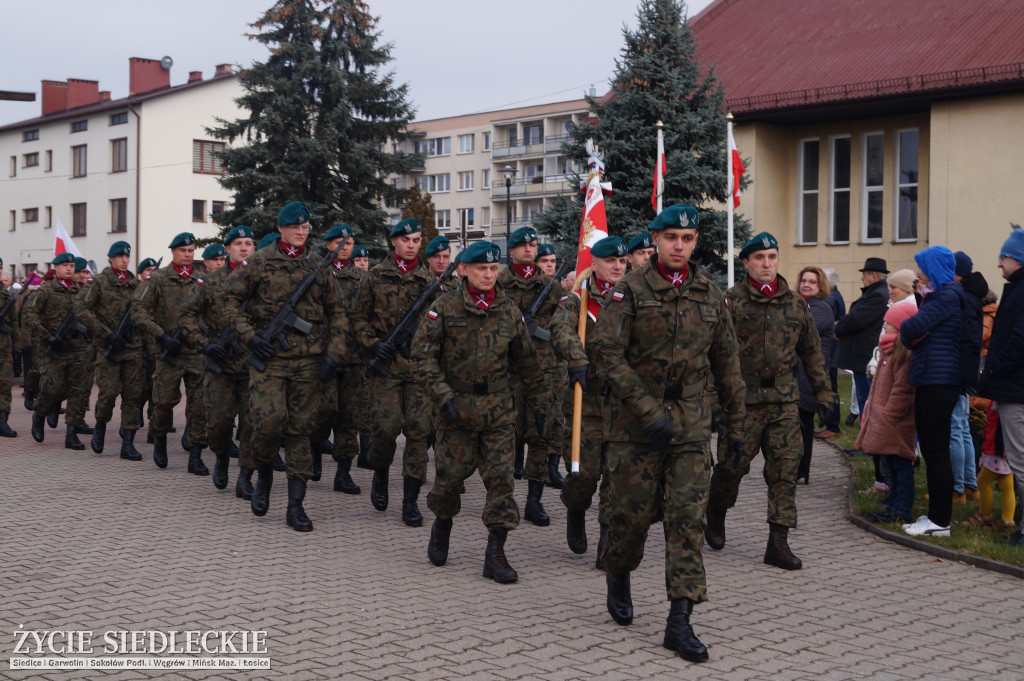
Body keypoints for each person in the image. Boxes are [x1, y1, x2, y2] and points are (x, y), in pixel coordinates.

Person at [591, 204, 746, 663]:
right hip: (636, 429)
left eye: (688, 238)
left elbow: (728, 364)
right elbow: (607, 355)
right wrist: (646, 411)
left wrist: (735, 427)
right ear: (655, 240)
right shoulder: (630, 292)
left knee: (687, 521)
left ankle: (680, 621)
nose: (680, 245)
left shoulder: (710, 293)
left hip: (692, 426)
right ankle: (618, 570)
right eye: (672, 237)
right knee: (631, 520)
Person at [413, 240, 546, 583]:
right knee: (449, 482)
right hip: (455, 410)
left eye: (493, 269)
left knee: (501, 481)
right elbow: (422, 357)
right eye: (481, 269)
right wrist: (443, 397)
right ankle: (442, 526)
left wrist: (540, 407)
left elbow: (527, 364)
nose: (489, 275)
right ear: (464, 270)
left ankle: (495, 553)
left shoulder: (509, 310)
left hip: (498, 412)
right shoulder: (444, 308)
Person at [706, 232, 833, 571]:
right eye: (759, 258)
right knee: (731, 468)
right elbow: (712, 352)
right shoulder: (730, 301)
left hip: (783, 403)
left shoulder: (795, 304)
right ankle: (715, 511)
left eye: (772, 257)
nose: (767, 263)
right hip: (741, 403)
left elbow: (811, 351)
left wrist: (823, 391)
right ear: (746, 262)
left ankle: (778, 542)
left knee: (785, 471)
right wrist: (710, 398)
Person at [222, 202, 350, 532]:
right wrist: (250, 337)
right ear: (281, 229)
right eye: (295, 227)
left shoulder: (318, 265)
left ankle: (296, 506)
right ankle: (263, 477)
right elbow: (229, 301)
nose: (301, 232)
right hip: (270, 360)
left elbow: (337, 313)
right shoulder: (260, 261)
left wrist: (333, 356)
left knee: (301, 432)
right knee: (267, 424)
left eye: (306, 228)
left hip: (308, 362)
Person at [352, 218, 437, 527]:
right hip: (386, 369)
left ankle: (410, 502)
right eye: (406, 240)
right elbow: (357, 320)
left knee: (418, 434)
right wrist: (373, 344)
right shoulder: (374, 278)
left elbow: (439, 325)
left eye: (416, 240)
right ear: (394, 242)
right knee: (385, 431)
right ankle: (381, 473)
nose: (412, 244)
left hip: (418, 370)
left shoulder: (430, 281)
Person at [550, 236, 628, 562]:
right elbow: (560, 328)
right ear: (594, 264)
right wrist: (576, 357)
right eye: (611, 261)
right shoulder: (577, 300)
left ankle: (607, 539)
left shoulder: (634, 299)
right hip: (587, 403)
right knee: (583, 476)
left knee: (616, 478)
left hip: (623, 405)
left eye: (622, 261)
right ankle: (576, 509)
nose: (618, 266)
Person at [497, 226, 566, 525]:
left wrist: (543, 333)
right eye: (522, 246)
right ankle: (503, 497)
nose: (529, 249)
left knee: (540, 435)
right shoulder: (498, 283)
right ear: (511, 251)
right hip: (508, 371)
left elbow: (562, 325)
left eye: (533, 245)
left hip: (543, 372)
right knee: (506, 435)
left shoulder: (551, 287)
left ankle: (534, 501)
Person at [182, 226, 257, 496]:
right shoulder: (211, 281)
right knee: (219, 423)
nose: (244, 247)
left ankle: (246, 476)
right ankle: (222, 456)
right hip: (220, 365)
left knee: (252, 424)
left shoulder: (261, 279)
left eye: (249, 243)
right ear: (227, 249)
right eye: (238, 243)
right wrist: (205, 344)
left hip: (253, 366)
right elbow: (187, 315)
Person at [899, 245, 965, 537]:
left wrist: (912, 332)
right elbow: (914, 336)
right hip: (931, 379)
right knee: (931, 449)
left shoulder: (945, 297)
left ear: (934, 268)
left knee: (936, 451)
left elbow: (911, 329)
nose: (919, 273)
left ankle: (940, 522)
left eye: (922, 267)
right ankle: (937, 517)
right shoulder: (937, 297)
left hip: (939, 382)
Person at [133, 232, 209, 474]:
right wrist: (161, 335)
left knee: (199, 406)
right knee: (163, 402)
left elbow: (211, 313)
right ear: (173, 252)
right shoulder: (158, 279)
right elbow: (138, 310)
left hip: (196, 352)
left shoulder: (201, 280)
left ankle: (195, 455)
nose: (187, 255)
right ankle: (160, 439)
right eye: (183, 251)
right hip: (169, 353)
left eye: (191, 250)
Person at [74, 241, 145, 460]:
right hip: (108, 347)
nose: (124, 260)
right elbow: (80, 308)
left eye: (127, 256)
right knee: (108, 393)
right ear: (111, 258)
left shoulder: (136, 284)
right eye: (120, 256)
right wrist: (105, 333)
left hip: (132, 347)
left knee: (133, 396)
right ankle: (101, 427)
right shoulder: (100, 282)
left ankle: (128, 443)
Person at [977, 227, 1024, 546]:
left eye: (1003, 257)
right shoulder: (1017, 288)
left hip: (1016, 390)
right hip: (1012, 387)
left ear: (1017, 259)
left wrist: (991, 371)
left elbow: (1018, 340)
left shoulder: (1022, 290)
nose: (998, 264)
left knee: (1020, 462)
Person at [312, 224, 362, 494]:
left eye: (351, 242)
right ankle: (316, 450)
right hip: (325, 355)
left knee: (349, 417)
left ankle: (343, 472)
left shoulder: (362, 278)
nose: (346, 247)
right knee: (324, 410)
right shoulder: (317, 274)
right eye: (341, 242)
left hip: (352, 359)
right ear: (329, 244)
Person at [858, 304, 918, 523]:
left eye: (888, 323)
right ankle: (892, 501)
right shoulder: (888, 350)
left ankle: (901, 509)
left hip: (896, 421)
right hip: (886, 420)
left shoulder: (904, 354)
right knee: (891, 465)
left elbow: (903, 389)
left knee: (901, 465)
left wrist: (889, 415)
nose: (884, 326)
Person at [26, 253, 91, 449]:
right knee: (52, 389)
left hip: (77, 348)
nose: (69, 269)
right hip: (53, 348)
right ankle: (39, 415)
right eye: (65, 265)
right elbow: (30, 314)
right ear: (56, 268)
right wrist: (46, 336)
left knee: (78, 391)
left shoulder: (80, 291)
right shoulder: (46, 291)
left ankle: (71, 434)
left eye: (71, 265)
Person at [834, 258, 889, 421]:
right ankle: (864, 441)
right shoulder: (876, 293)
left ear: (873, 275)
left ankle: (867, 443)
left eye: (864, 274)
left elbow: (857, 319)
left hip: (864, 355)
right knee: (863, 398)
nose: (862, 278)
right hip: (862, 354)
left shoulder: (878, 295)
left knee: (866, 400)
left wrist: (838, 328)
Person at [795, 266, 835, 485]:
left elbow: (797, 332)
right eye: (803, 280)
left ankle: (802, 470)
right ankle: (797, 469)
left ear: (820, 286)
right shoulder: (803, 304)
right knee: (797, 422)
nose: (806, 284)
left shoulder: (821, 308)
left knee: (804, 422)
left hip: (810, 374)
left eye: (811, 281)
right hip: (798, 372)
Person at [951, 252, 986, 503]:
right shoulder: (971, 295)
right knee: (961, 428)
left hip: (957, 372)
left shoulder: (962, 297)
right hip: (965, 372)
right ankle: (970, 485)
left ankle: (957, 488)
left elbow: (964, 340)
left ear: (957, 273)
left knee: (955, 428)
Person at [961, 404, 1016, 532]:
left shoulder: (1002, 398)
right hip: (1007, 450)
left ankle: (984, 515)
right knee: (1006, 485)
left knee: (982, 482)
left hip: (998, 450)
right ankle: (1007, 520)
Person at [0, 272, 19, 437]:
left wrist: (18, 347)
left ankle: (3, 422)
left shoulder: (6, 294)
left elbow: (14, 321)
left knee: (5, 385)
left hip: (4, 348)